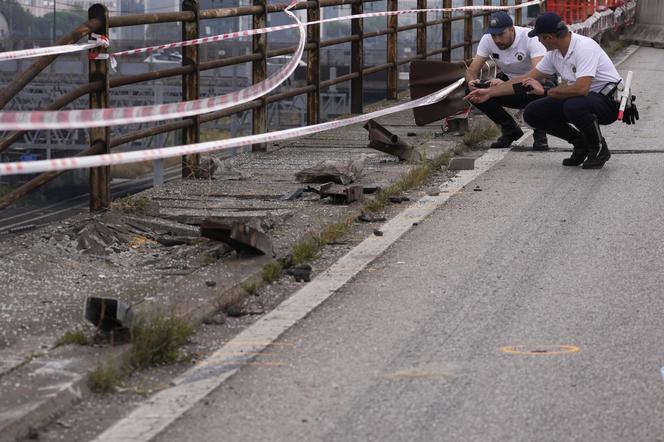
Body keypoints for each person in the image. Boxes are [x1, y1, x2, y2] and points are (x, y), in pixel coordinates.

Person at [465, 12, 622, 169]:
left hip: (607, 101)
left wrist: (547, 92)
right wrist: (489, 92)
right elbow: (525, 79)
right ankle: (580, 142)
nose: (538, 41)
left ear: (549, 37)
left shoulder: (584, 47)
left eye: (539, 37)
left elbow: (581, 89)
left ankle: (598, 148)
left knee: (573, 105)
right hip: (583, 98)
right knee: (532, 113)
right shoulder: (554, 54)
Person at [465, 11, 549, 150]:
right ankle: (510, 130)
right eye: (494, 35)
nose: (497, 40)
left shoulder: (530, 38)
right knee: (472, 92)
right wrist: (472, 82)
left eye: (501, 34)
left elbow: (539, 75)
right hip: (509, 87)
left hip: (536, 86)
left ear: (512, 29)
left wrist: (505, 84)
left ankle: (540, 132)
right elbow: (471, 70)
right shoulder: (487, 40)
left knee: (536, 86)